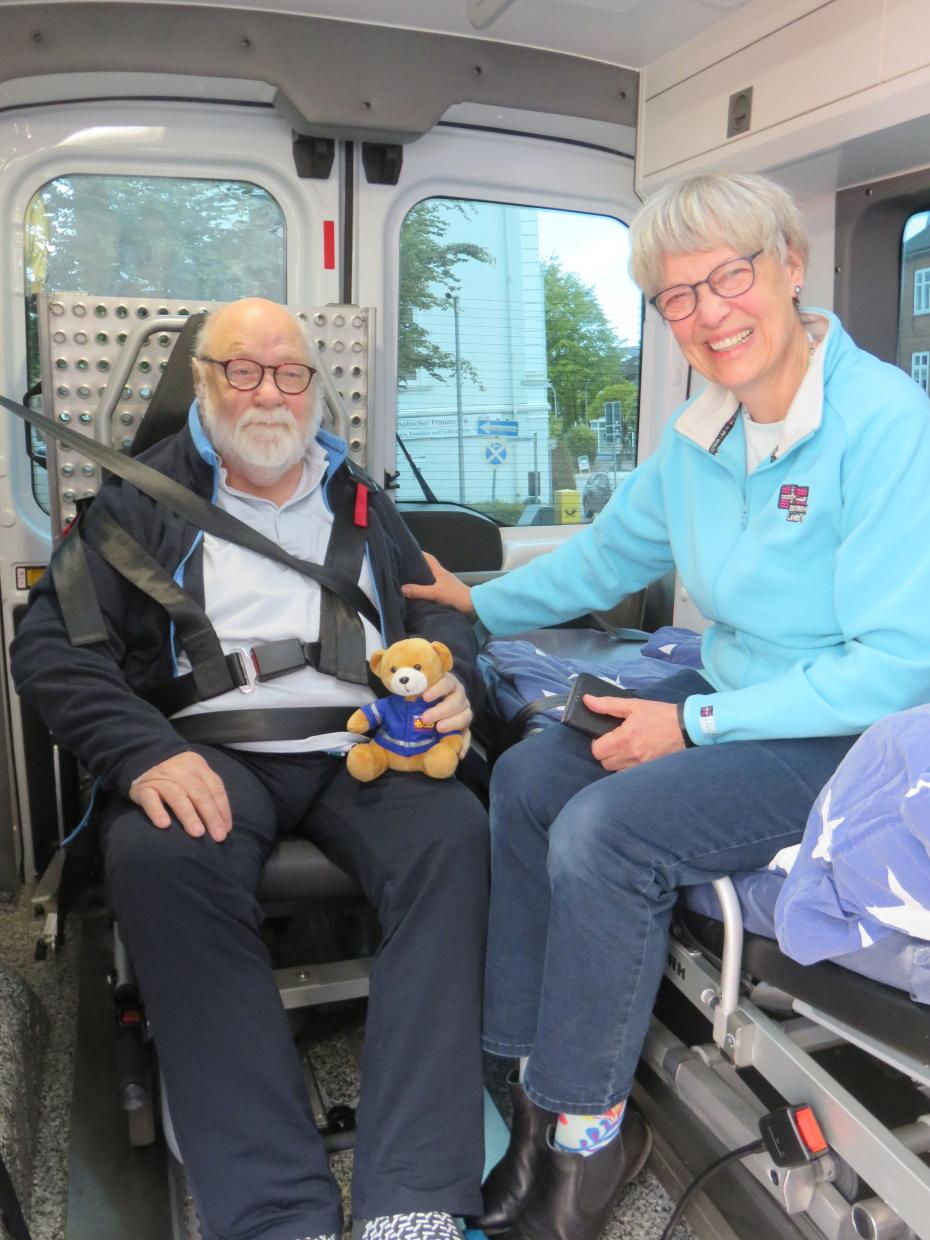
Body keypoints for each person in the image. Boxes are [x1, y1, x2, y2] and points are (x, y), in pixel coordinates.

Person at [403, 170, 930, 1240]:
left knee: (607, 829)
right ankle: (519, 1095)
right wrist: (476, 602)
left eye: (728, 276)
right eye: (675, 297)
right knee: (530, 773)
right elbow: (607, 554)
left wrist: (685, 725)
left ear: (790, 266)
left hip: (845, 730)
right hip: (741, 694)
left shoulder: (887, 425)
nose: (706, 313)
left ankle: (590, 1141)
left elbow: (897, 668)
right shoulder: (706, 431)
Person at [12, 298, 490, 1240]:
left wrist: (454, 677)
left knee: (456, 837)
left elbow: (439, 608)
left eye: (290, 372)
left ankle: (419, 1201)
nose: (268, 391)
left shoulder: (361, 496)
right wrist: (143, 751)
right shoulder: (137, 503)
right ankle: (276, 1215)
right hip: (211, 754)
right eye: (243, 368)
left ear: (315, 387)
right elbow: (52, 649)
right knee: (159, 861)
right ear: (203, 380)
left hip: (366, 744)